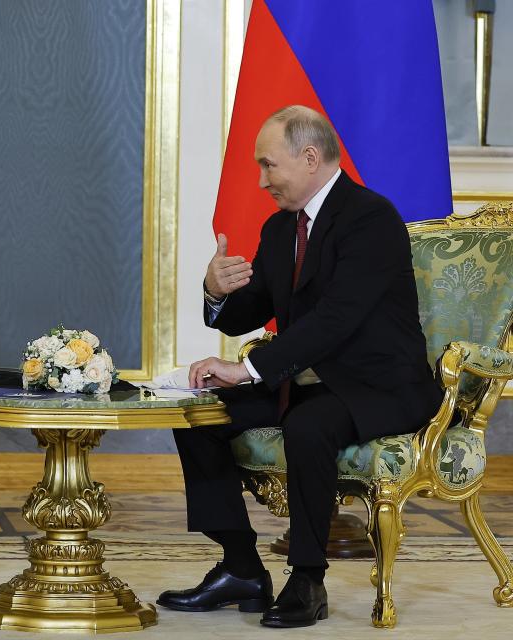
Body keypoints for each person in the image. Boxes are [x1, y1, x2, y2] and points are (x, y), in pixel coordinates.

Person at [157, 105, 443, 628]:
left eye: (269, 166)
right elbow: (253, 309)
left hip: (378, 384)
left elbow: (336, 320)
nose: (262, 179)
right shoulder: (279, 228)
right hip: (309, 378)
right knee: (198, 415)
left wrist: (245, 371)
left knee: (308, 424)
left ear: (310, 157)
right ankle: (241, 566)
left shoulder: (370, 218)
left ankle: (307, 579)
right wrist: (214, 290)